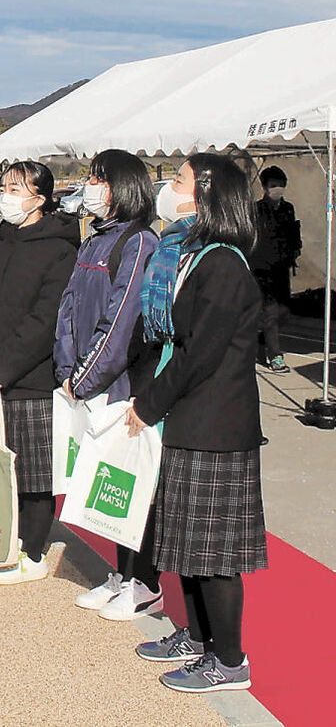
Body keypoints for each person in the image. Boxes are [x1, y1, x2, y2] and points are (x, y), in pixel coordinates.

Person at [127, 153, 266, 694]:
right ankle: (198, 639)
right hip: (191, 420)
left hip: (216, 426)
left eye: (179, 180)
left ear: (207, 196)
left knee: (214, 554)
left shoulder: (224, 264)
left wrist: (149, 404)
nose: (170, 186)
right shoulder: (197, 254)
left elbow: (198, 353)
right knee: (187, 542)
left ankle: (229, 661)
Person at [0, 160, 79, 583]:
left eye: (15, 188)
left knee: (32, 471)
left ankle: (33, 552)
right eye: (3, 186)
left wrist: (3, 367)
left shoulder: (60, 250)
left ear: (40, 199)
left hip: (27, 378)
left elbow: (46, 320)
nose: (4, 195)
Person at [54, 150, 161, 619]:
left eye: (100, 179)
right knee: (107, 481)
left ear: (123, 186)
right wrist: (66, 371)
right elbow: (69, 309)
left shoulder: (138, 243)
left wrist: (85, 376)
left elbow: (120, 322)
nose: (91, 186)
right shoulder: (94, 240)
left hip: (120, 387)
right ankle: (122, 574)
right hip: (86, 384)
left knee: (128, 482)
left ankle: (146, 581)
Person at [249, 165, 301, 375]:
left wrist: (295, 249)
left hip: (282, 268)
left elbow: (292, 232)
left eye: (280, 185)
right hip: (261, 269)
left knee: (283, 312)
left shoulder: (288, 208)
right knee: (270, 314)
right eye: (273, 186)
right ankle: (275, 355)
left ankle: (261, 344)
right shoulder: (256, 210)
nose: (277, 189)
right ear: (264, 187)